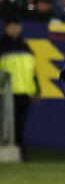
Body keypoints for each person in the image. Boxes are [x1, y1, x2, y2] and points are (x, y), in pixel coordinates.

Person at [2, 18, 36, 151]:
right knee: (6, 124)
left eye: (17, 25)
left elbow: (32, 70)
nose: (15, 28)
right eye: (12, 25)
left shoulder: (25, 45)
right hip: (5, 92)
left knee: (20, 123)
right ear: (6, 27)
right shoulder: (2, 45)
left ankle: (18, 151)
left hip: (24, 92)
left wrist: (36, 88)